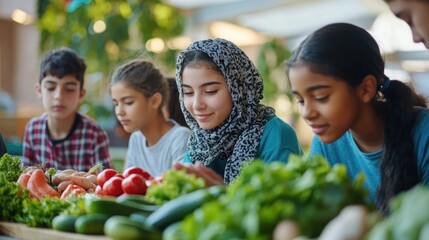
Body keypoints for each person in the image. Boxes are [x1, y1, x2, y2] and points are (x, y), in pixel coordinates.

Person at [286, 22, 429, 213]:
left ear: (366, 89)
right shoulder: (324, 146)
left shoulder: (424, 134)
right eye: (301, 101)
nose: (307, 113)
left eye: (321, 97)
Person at [174, 38, 303, 184]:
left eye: (210, 91)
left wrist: (217, 194)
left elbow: (281, 202)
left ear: (238, 90)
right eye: (188, 93)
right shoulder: (199, 142)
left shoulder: (275, 134)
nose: (197, 105)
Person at [22, 47, 113, 171]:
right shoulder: (33, 129)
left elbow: (107, 182)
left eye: (69, 89)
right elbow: (25, 180)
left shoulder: (95, 134)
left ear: (81, 94)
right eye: (50, 87)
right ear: (39, 90)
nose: (59, 96)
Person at [110, 59, 191, 177]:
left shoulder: (180, 138)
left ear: (154, 101)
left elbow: (182, 189)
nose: (119, 112)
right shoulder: (136, 139)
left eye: (128, 102)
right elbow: (125, 185)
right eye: (116, 103)